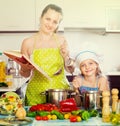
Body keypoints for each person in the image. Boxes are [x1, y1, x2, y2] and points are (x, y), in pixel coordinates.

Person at [19, 4, 74, 106]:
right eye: (48, 19)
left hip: (60, 93)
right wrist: (25, 68)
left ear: (58, 24)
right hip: (35, 94)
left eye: (55, 22)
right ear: (41, 17)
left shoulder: (62, 40)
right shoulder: (28, 42)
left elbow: (71, 70)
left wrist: (66, 57)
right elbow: (25, 74)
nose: (50, 24)